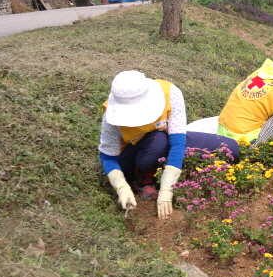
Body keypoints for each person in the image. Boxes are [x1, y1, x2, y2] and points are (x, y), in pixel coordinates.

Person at [99, 70, 239, 219]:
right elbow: (108, 156)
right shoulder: (111, 115)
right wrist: (121, 186)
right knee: (157, 140)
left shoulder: (170, 93)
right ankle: (142, 180)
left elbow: (178, 142)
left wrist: (166, 188)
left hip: (163, 142)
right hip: (133, 157)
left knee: (230, 148)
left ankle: (166, 170)